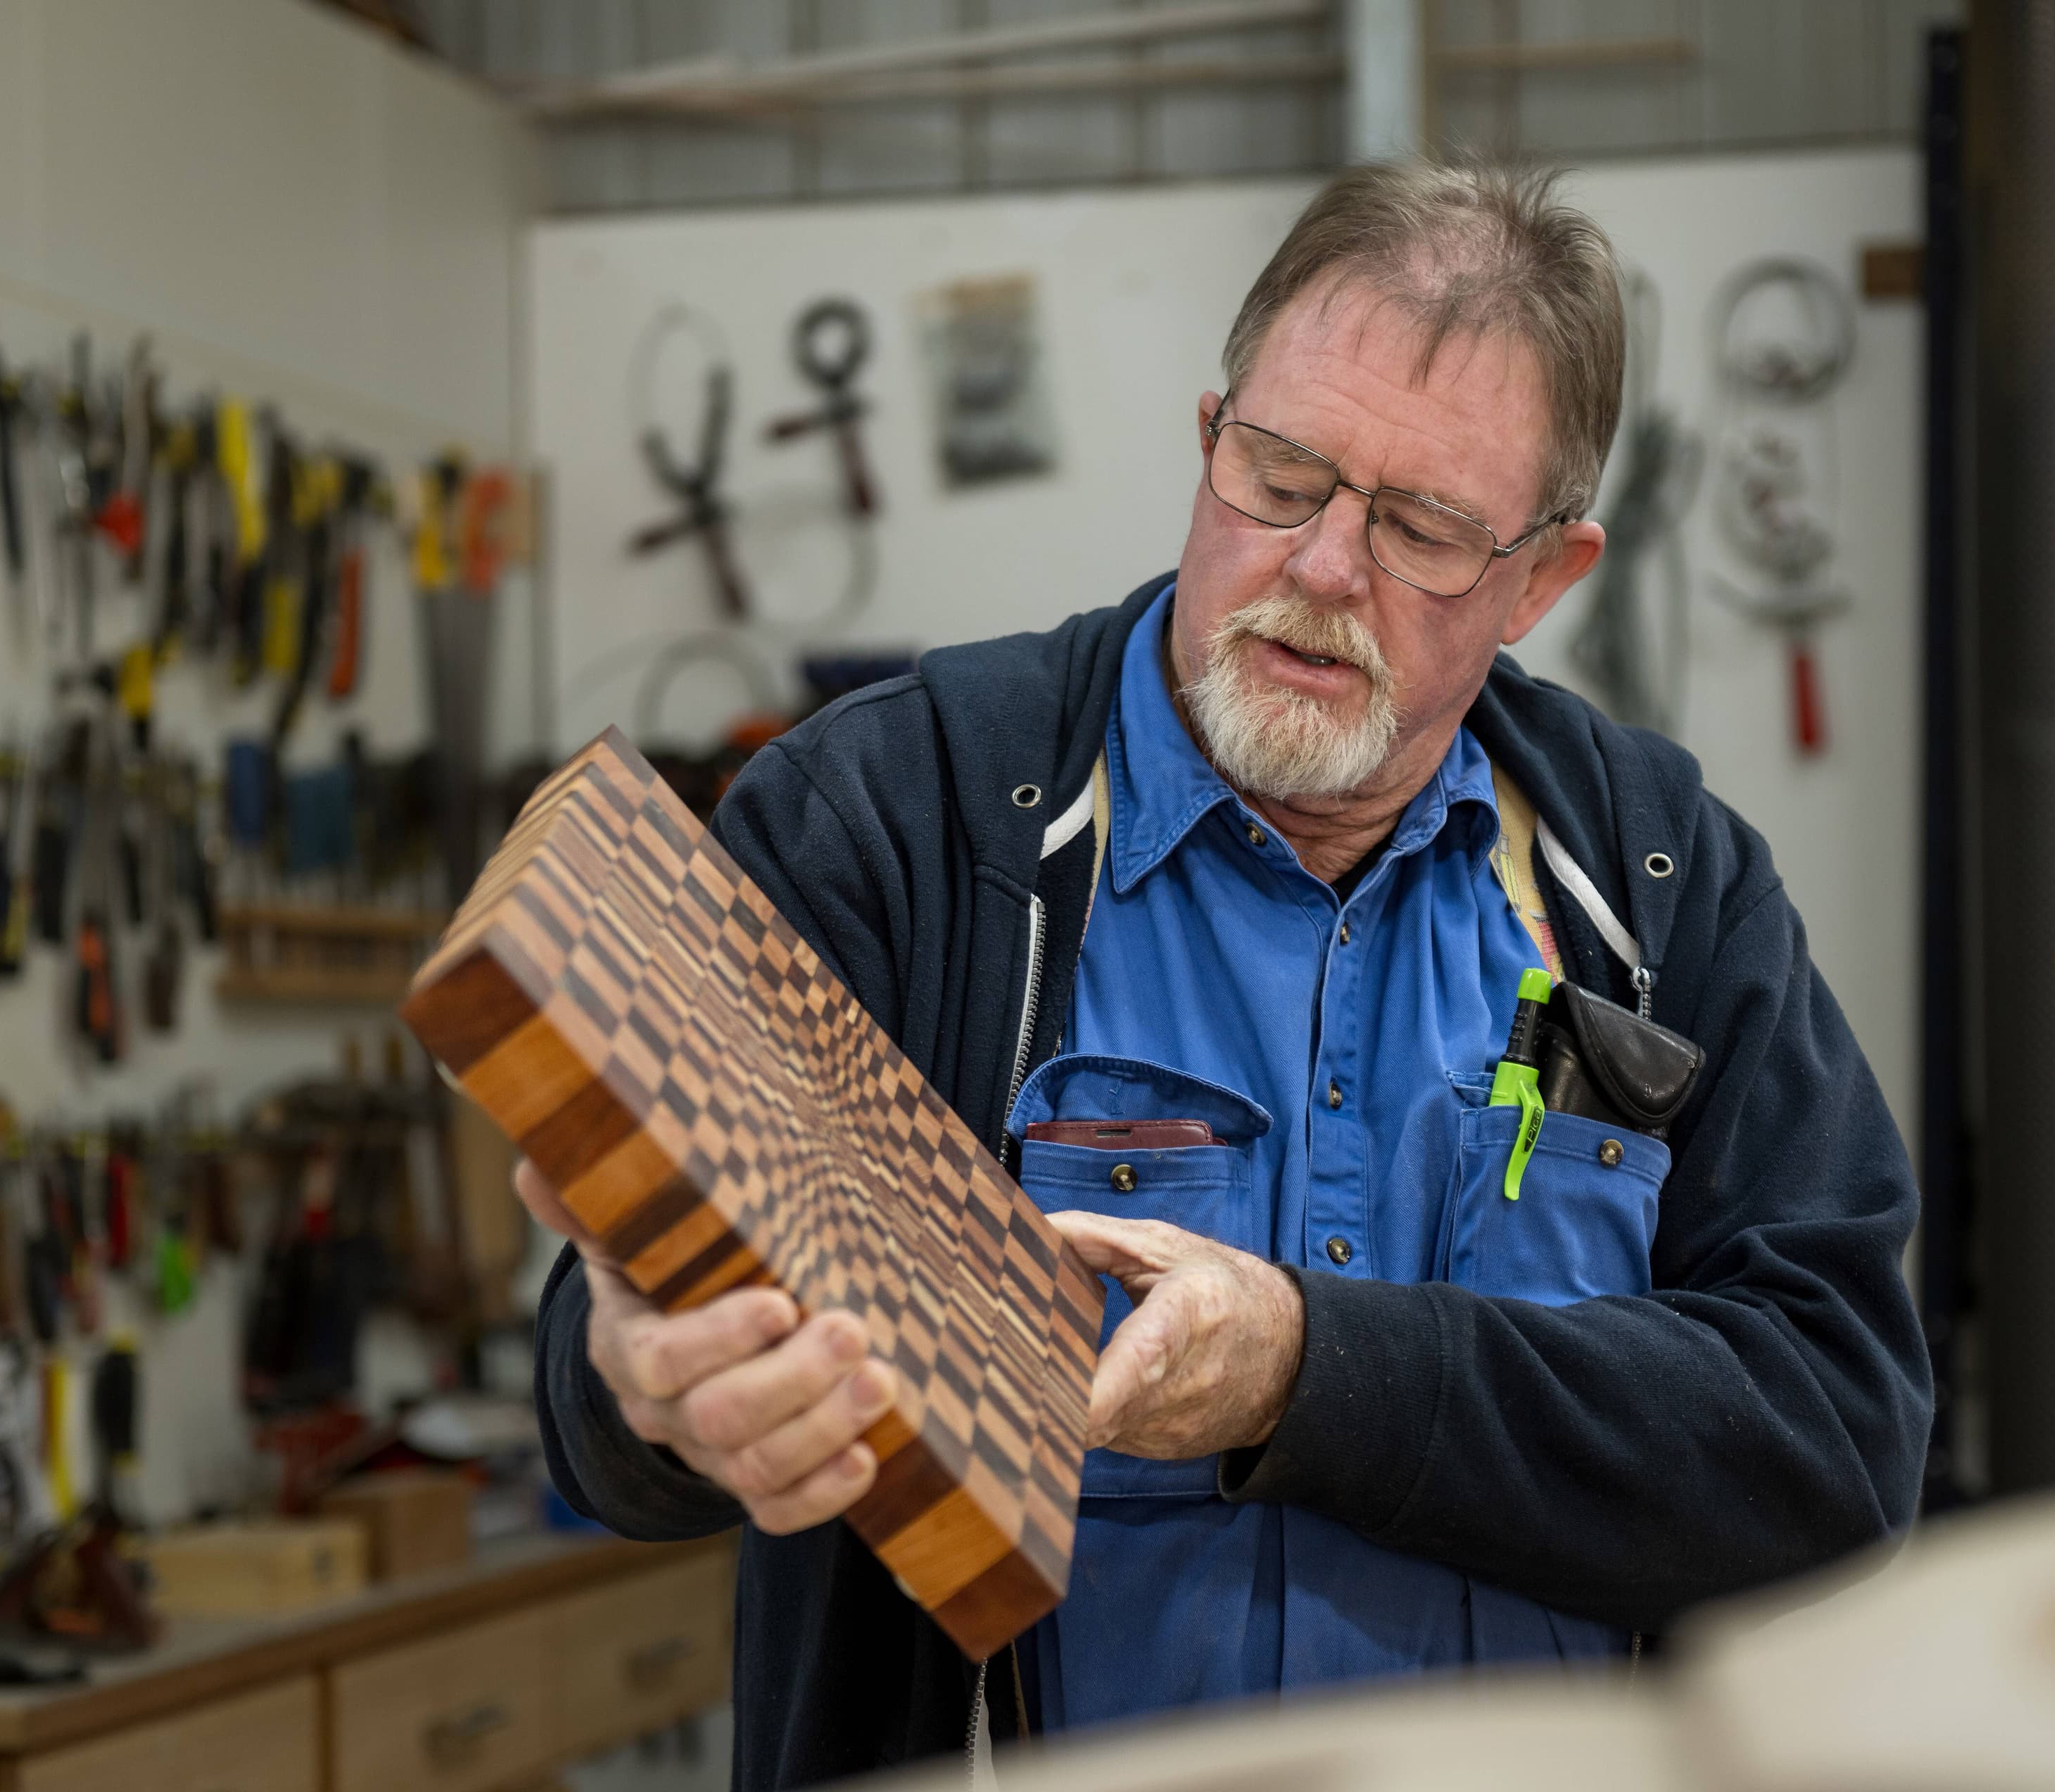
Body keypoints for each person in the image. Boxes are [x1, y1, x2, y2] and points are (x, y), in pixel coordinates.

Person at [523, 160, 1930, 1791]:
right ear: (1210, 435)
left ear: (1544, 577)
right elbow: (613, 1359)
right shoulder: (893, 824)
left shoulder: (1656, 881)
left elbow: (1837, 1437)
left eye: (1422, 529)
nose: (1324, 565)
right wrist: (646, 1390)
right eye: (1281, 474)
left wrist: (1307, 1368)